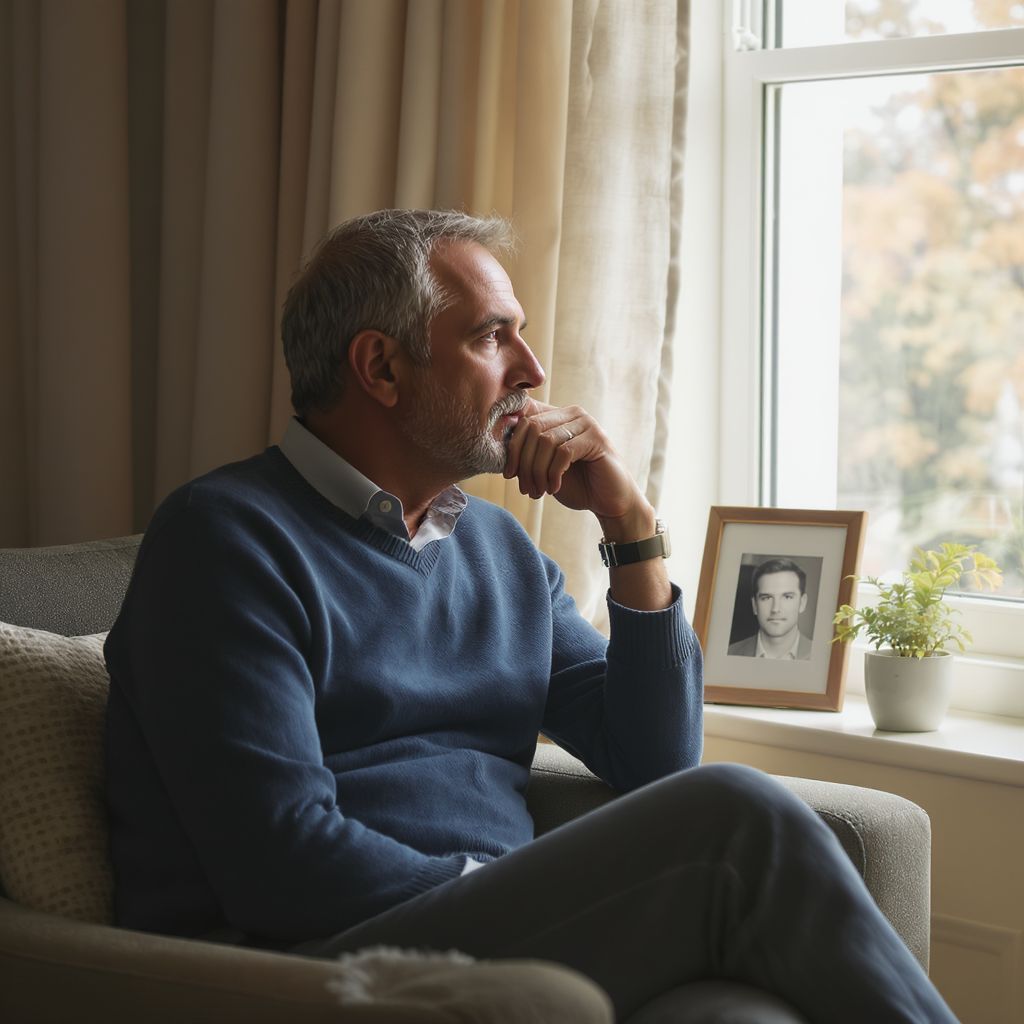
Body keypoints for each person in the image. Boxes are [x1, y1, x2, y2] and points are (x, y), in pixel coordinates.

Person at [103, 209, 956, 1023]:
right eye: (490, 336)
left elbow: (655, 759)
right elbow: (276, 861)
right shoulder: (224, 540)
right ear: (382, 368)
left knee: (735, 1014)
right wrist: (515, 882)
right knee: (736, 815)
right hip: (307, 960)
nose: (532, 370)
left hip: (489, 924)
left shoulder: (498, 551)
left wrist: (631, 529)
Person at [728, 557, 813, 660]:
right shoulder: (730, 653)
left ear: (802, 603)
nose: (775, 609)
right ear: (754, 605)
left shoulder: (822, 657)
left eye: (787, 597)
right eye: (766, 598)